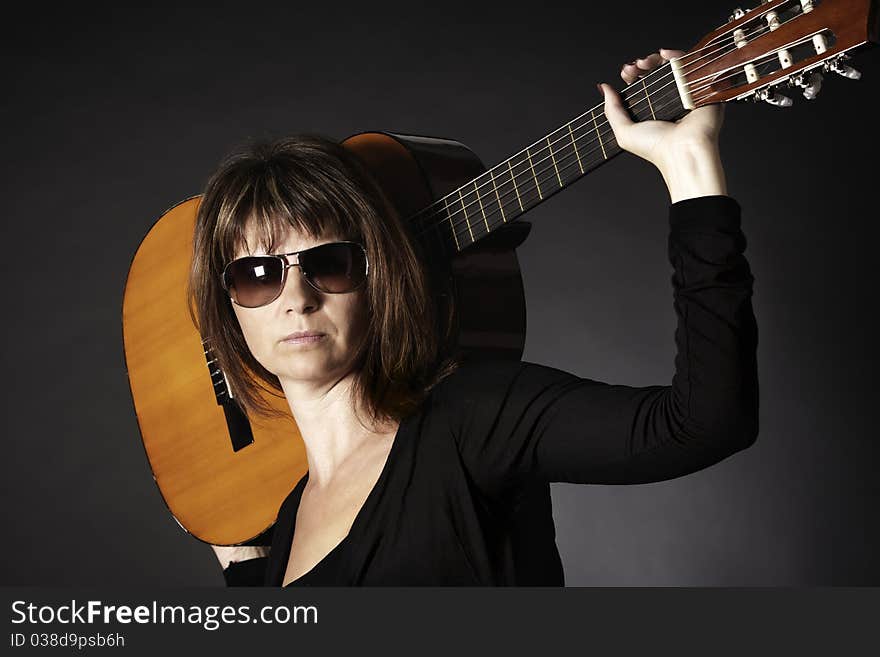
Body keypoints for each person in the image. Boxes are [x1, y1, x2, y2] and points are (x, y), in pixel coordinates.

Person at [190, 49, 758, 586]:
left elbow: (702, 425)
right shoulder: (291, 517)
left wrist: (691, 172)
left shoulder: (476, 419)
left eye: (329, 264)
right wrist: (246, 573)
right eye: (256, 275)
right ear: (228, 306)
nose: (296, 296)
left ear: (377, 277)